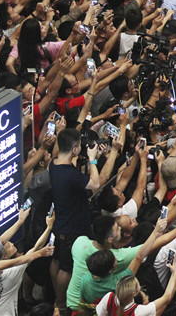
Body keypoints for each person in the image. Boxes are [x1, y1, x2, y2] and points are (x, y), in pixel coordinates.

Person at [49, 128, 104, 316]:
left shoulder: (54, 164)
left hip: (60, 224)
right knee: (66, 267)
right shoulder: (71, 175)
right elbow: (95, 184)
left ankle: (55, 295)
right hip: (72, 228)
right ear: (74, 150)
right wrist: (92, 159)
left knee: (56, 259)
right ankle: (60, 302)